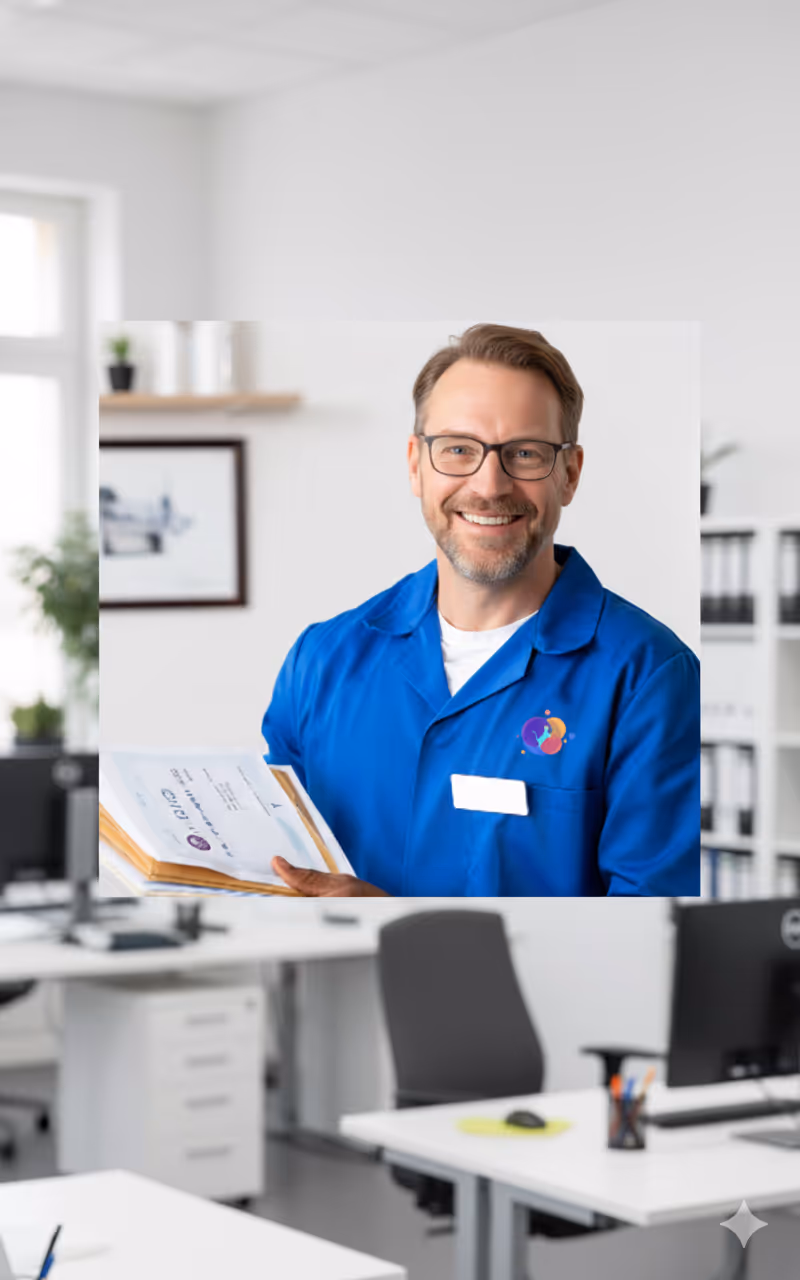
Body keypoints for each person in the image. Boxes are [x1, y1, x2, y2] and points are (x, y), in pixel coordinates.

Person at [264, 324, 699, 897]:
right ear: (416, 465)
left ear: (569, 473)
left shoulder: (648, 678)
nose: (489, 485)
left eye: (525, 453)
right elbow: (273, 870)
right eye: (459, 450)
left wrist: (400, 929)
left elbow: (651, 936)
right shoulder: (321, 661)